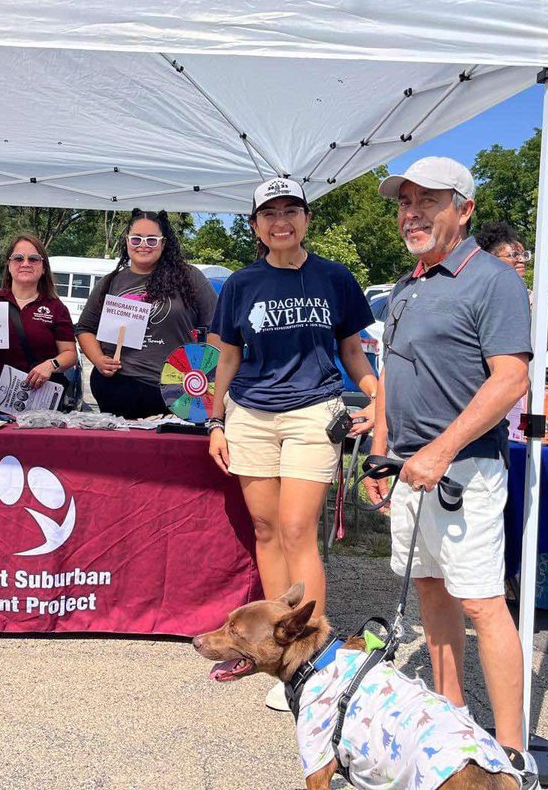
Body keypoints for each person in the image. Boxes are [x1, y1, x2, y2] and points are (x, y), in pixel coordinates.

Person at [365, 157, 537, 786]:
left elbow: (511, 378)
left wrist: (439, 450)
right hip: (410, 471)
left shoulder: (492, 280)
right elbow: (391, 377)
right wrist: (380, 454)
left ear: (463, 210)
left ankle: (513, 754)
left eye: (428, 202)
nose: (412, 213)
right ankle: (451, 717)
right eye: (405, 202)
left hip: (464, 472)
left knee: (484, 604)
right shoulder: (407, 285)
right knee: (431, 591)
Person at [205, 177, 378, 710]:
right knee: (265, 528)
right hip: (250, 416)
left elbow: (351, 349)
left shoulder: (334, 277)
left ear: (306, 219)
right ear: (256, 226)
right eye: (270, 214)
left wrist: (377, 394)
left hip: (313, 413)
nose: (281, 222)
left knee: (299, 528)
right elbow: (226, 358)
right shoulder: (240, 283)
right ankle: (273, 654)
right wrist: (215, 421)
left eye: (292, 211)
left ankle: (314, 660)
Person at [76, 210, 217, 419]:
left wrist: (206, 369)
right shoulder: (110, 282)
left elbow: (219, 325)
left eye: (152, 240)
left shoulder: (190, 277)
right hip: (117, 385)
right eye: (136, 238)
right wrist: (98, 359)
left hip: (177, 389)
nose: (143, 245)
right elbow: (84, 328)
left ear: (164, 243)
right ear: (126, 241)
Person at [0, 234, 77, 410]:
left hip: (41, 406)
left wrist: (51, 365)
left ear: (43, 268)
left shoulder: (56, 307)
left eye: (33, 259)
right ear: (9, 265)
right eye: (18, 258)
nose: (25, 263)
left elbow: (69, 354)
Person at [475, 221, 548, 347]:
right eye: (514, 255)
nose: (522, 260)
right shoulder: (479, 293)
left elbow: (539, 349)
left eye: (524, 255)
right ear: (492, 258)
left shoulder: (530, 297)